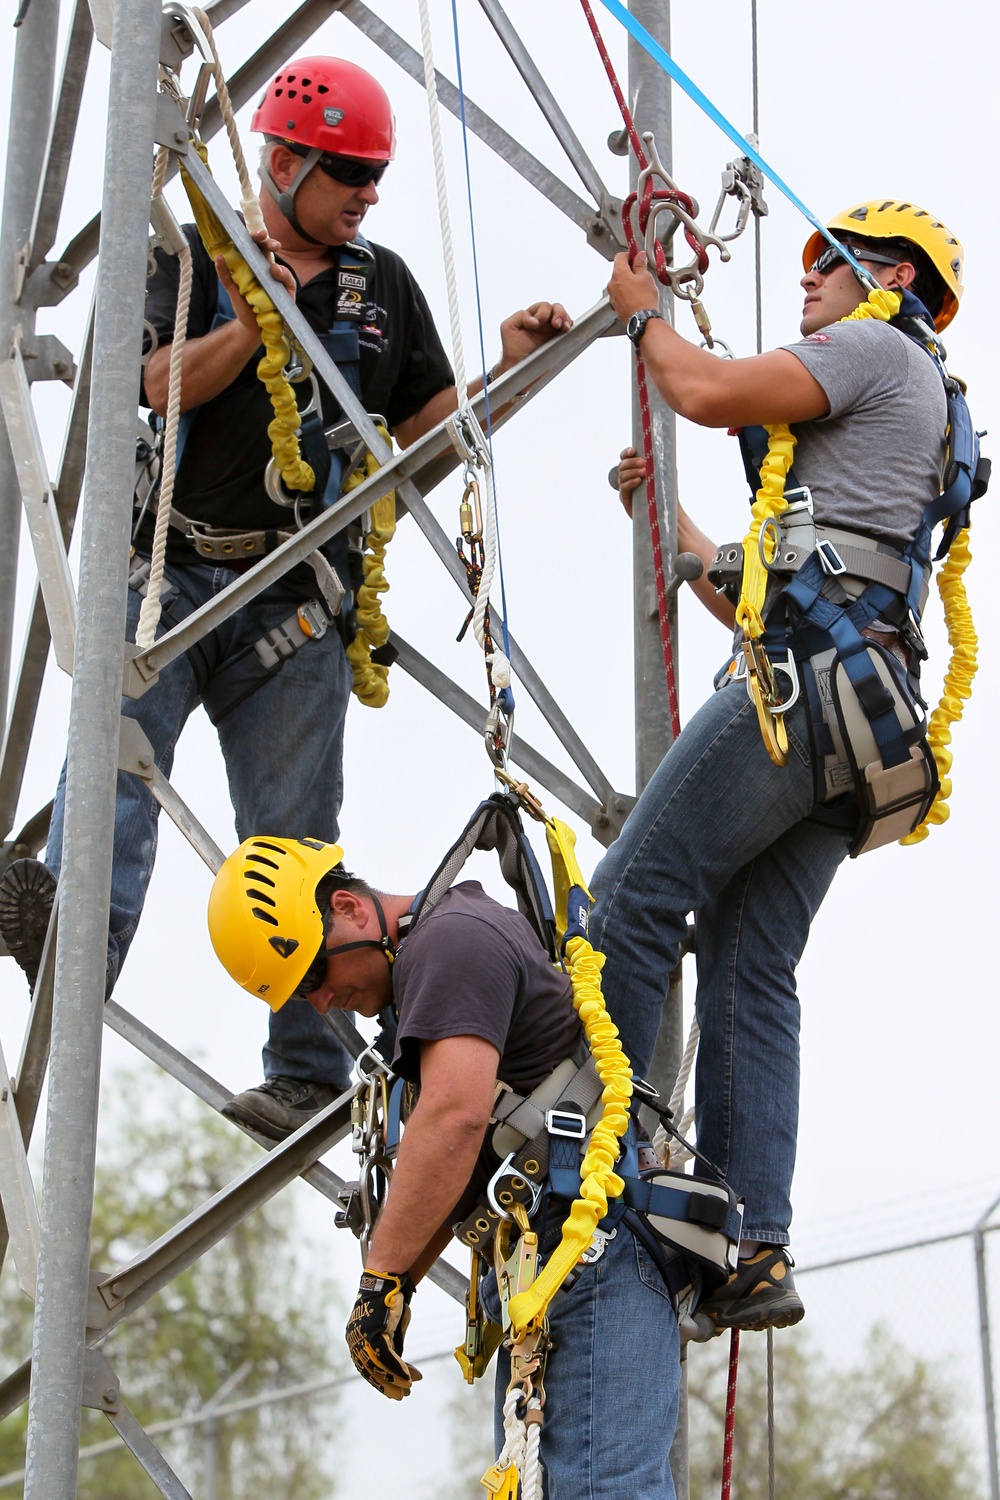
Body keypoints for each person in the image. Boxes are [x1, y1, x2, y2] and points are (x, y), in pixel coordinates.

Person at [0, 56, 570, 1141]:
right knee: (112, 796)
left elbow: (421, 444)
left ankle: (308, 1064)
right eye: (347, 172)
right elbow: (159, 382)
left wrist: (506, 370)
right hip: (170, 574)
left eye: (374, 174)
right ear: (280, 160)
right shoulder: (197, 257)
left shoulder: (378, 283)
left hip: (295, 599)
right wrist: (259, 318)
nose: (365, 192)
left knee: (300, 842)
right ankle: (66, 976)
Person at [589, 199, 976, 1331]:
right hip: (856, 724)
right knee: (751, 971)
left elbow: (703, 390)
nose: (809, 282)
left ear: (890, 277)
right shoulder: (913, 405)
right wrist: (677, 532)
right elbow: (766, 592)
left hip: (805, 689)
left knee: (629, 900)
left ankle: (596, 1159)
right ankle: (755, 1244)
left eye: (831, 266)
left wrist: (641, 317)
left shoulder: (873, 345)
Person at [206, 832, 686, 1498]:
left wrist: (381, 1279)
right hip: (551, 1269)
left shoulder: (450, 941)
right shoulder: (423, 988)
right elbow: (455, 1166)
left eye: (314, 974)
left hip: (588, 1253)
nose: (320, 1003)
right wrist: (398, 1281)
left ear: (347, 907)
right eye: (300, 998)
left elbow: (454, 1117)